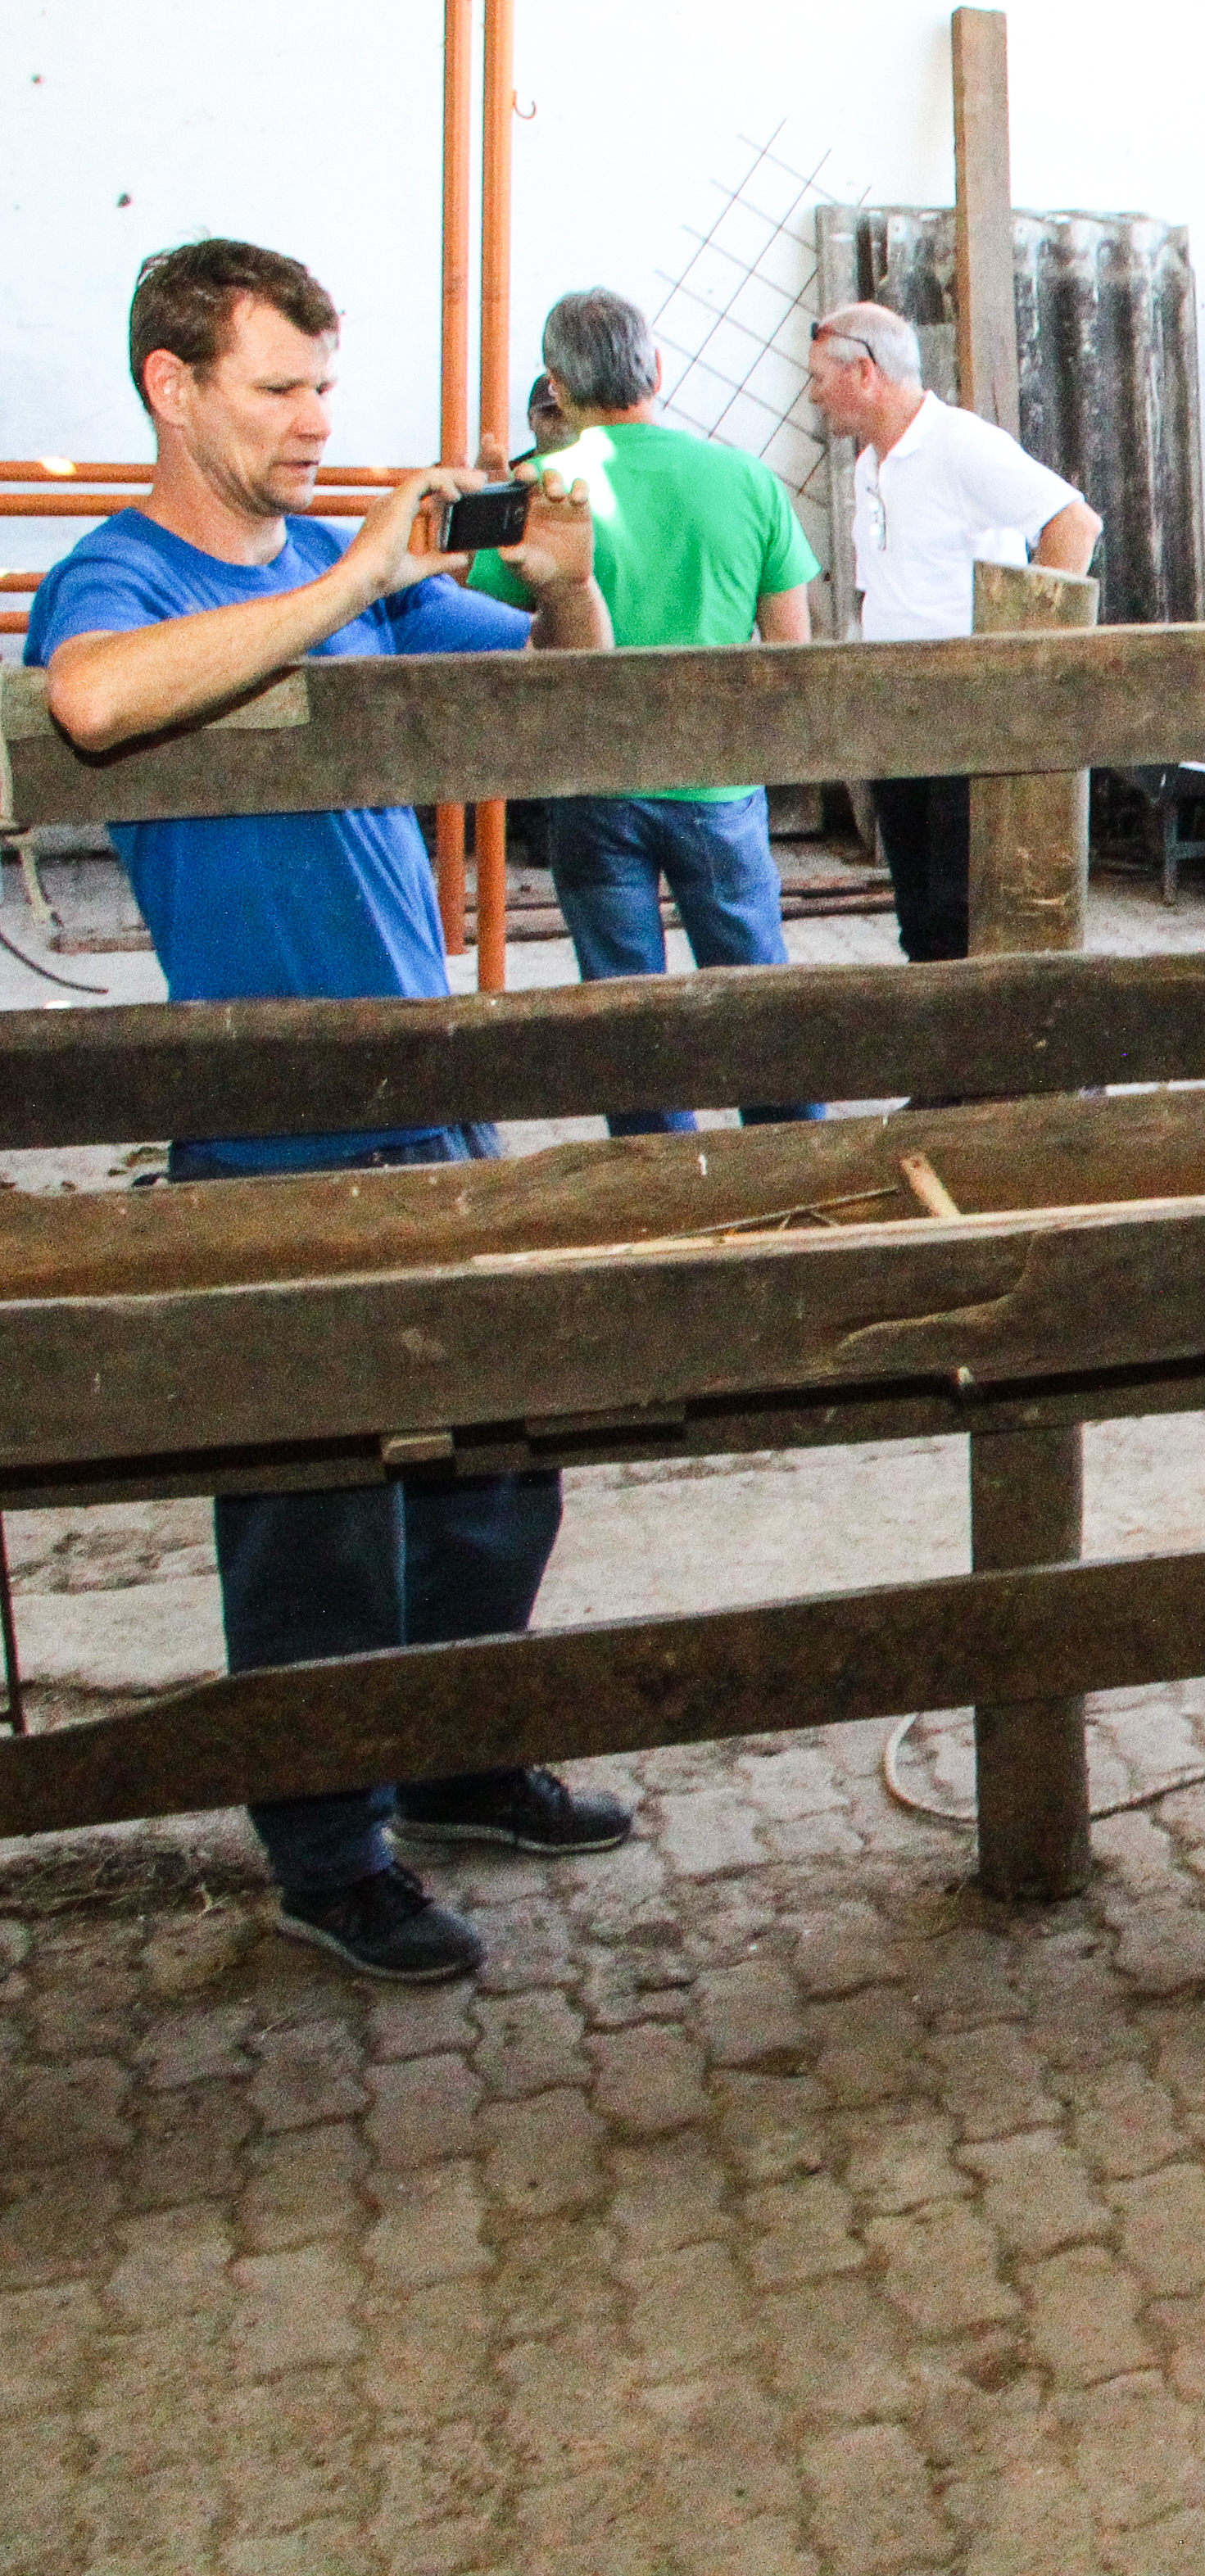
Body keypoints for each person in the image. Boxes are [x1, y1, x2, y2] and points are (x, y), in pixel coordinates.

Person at [25, 239, 631, 1981]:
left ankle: (454, 1751)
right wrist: (358, 565)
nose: (312, 422)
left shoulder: (330, 563)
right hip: (268, 1101)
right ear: (175, 386)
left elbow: (547, 675)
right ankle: (325, 1844)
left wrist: (566, 573)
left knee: (500, 1455)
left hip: (427, 1075)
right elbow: (93, 701)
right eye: (278, 389)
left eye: (320, 389)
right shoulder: (122, 575)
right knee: (312, 1502)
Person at [469, 287, 823, 1132]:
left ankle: (658, 1193)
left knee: (625, 1012)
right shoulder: (746, 481)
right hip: (718, 784)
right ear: (656, 369)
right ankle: (795, 1171)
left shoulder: (536, 487)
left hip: (590, 787)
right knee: (758, 1001)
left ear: (555, 385)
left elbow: (481, 636)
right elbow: (792, 653)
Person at [801, 299, 1103, 962]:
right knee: (919, 908)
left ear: (865, 373)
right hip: (898, 707)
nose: (816, 395)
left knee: (960, 905)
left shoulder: (961, 444)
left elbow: (1073, 525)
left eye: (820, 378)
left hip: (967, 708)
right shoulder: (870, 465)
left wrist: (1022, 659)